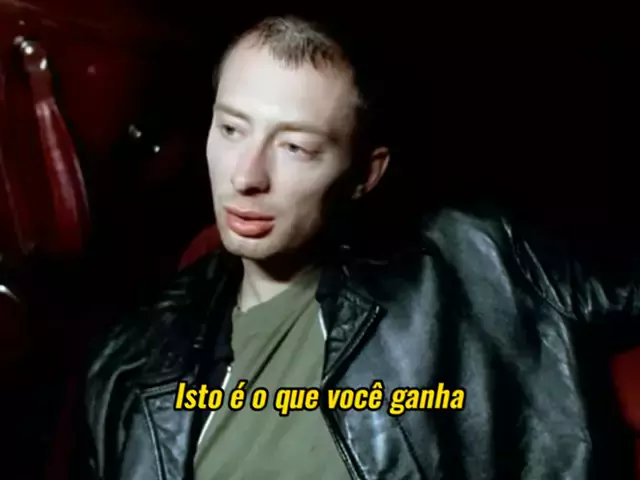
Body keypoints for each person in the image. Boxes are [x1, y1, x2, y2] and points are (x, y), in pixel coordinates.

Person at [80, 15, 639, 480]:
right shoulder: (134, 356)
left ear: (364, 175)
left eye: (295, 147)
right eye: (231, 130)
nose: (245, 176)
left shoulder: (475, 260)